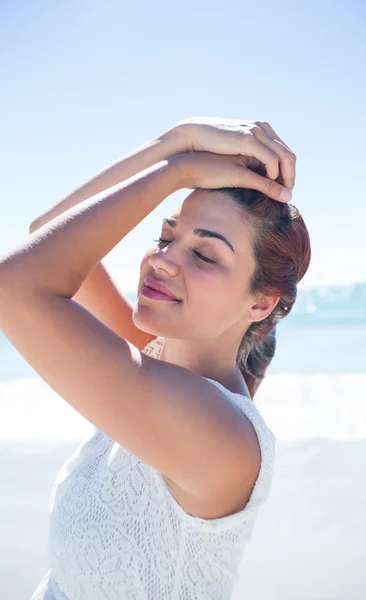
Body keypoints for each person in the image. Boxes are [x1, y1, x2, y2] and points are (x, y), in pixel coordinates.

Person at [0, 117, 311, 599]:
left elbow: (15, 286)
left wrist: (177, 170)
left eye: (205, 255)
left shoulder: (220, 436)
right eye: (167, 236)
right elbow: (47, 234)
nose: (162, 259)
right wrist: (172, 143)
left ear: (261, 303)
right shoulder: (151, 359)